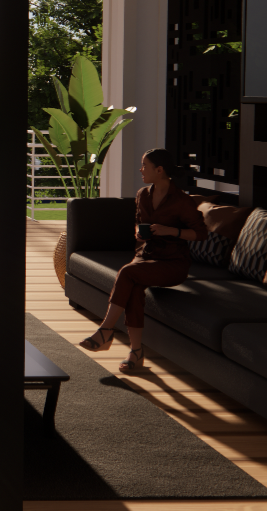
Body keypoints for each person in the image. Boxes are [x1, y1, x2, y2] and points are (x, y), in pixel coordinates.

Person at [79, 148, 204, 374]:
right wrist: (139, 232)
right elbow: (138, 221)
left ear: (159, 170)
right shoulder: (143, 195)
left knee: (127, 273)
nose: (140, 170)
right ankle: (136, 353)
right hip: (146, 256)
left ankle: (106, 330)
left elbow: (200, 233)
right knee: (134, 287)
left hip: (172, 263)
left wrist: (170, 231)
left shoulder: (182, 201)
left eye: (144, 166)